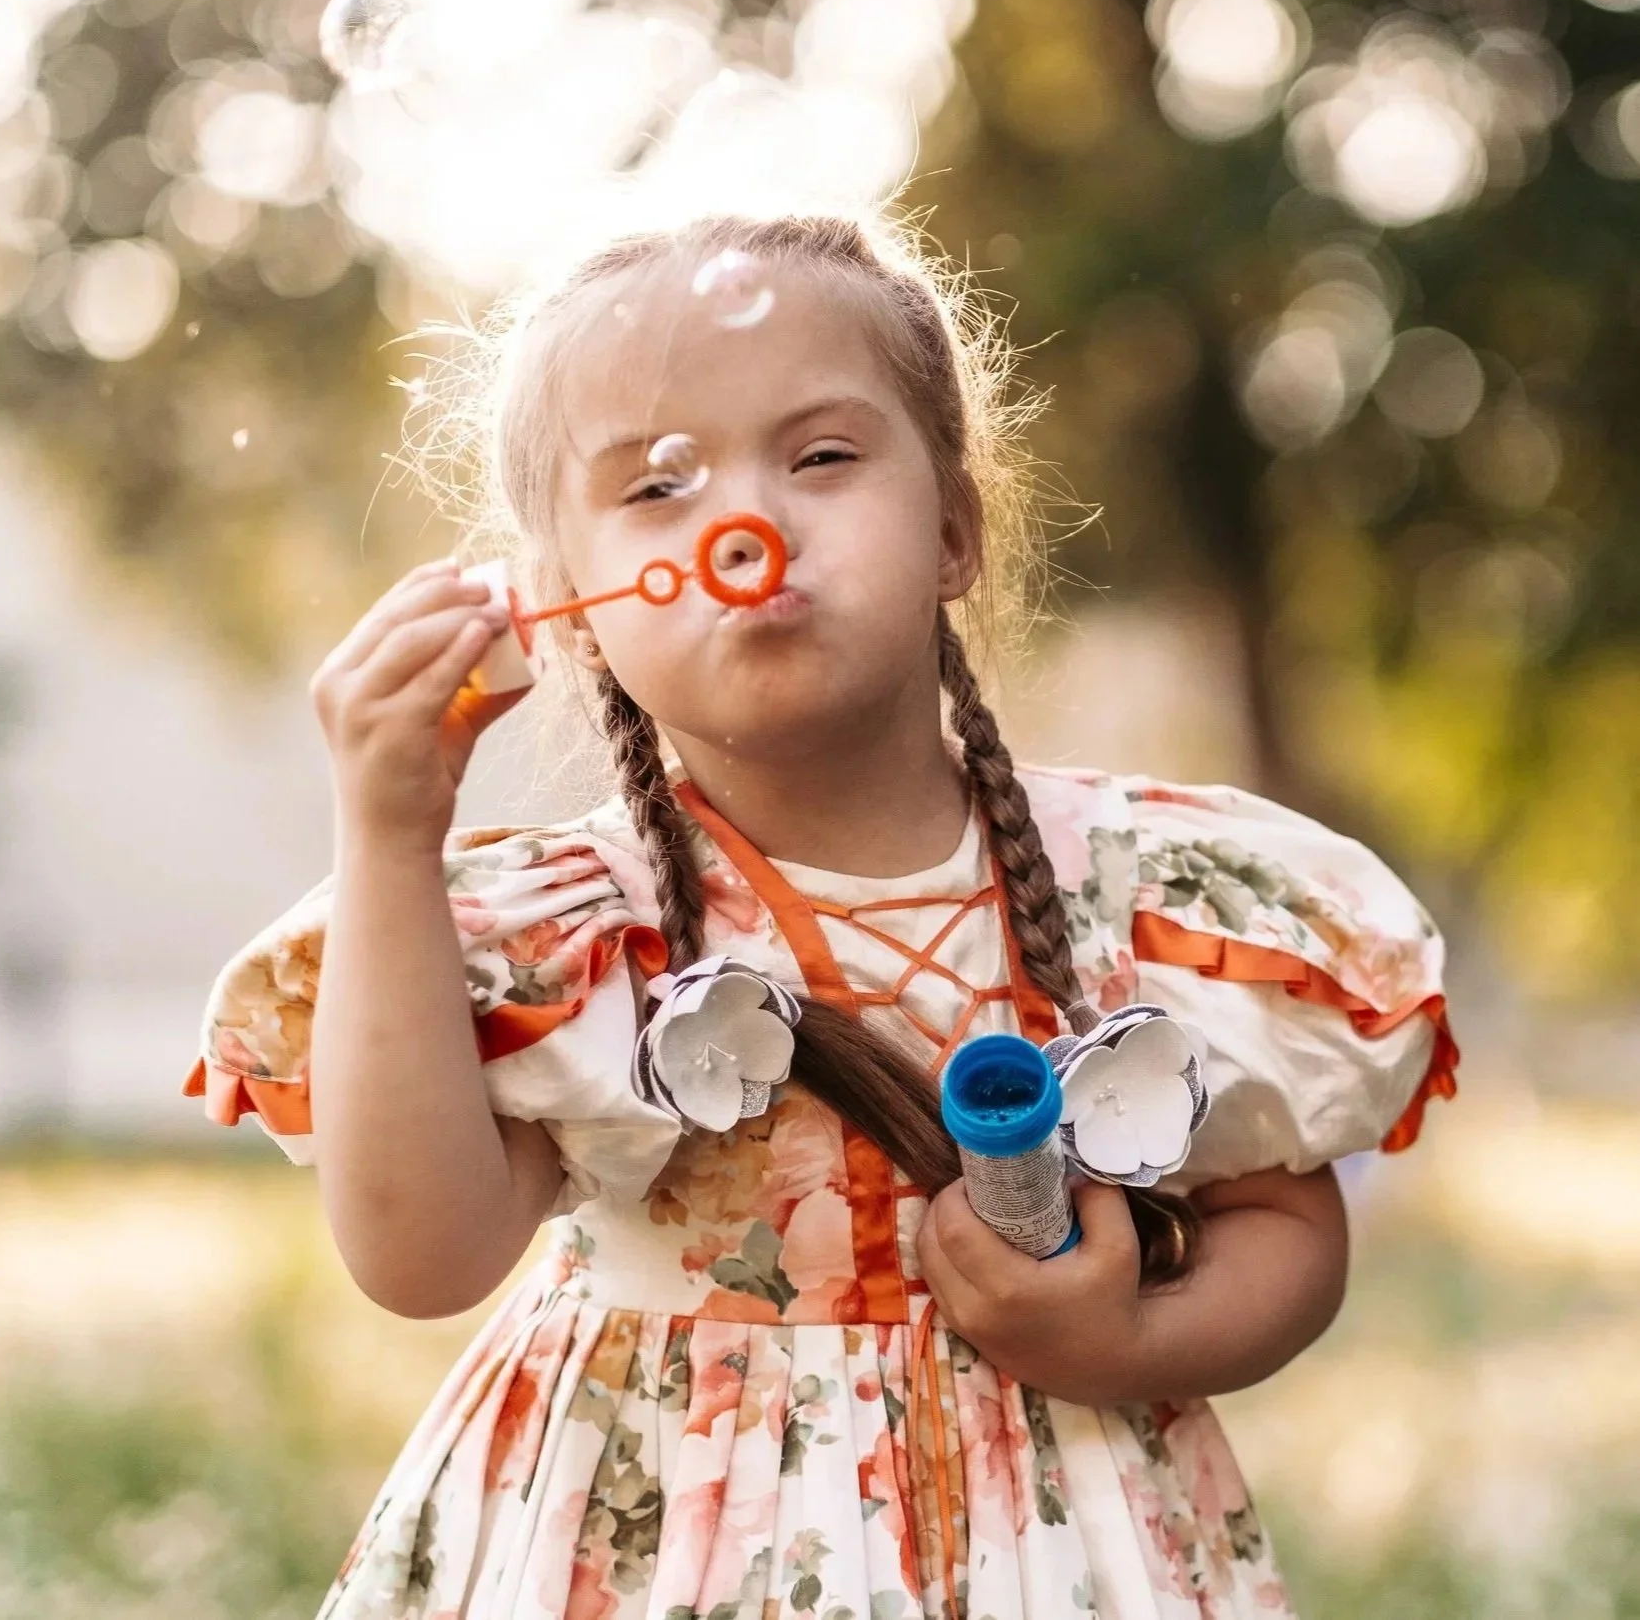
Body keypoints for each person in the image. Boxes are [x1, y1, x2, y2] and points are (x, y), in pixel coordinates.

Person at [188, 214, 1458, 1620]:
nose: (750, 521)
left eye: (823, 456)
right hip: (654, 1551)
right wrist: (386, 834)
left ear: (955, 533)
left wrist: (1129, 1335)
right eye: (656, 486)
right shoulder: (568, 929)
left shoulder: (1145, 889)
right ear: (562, 602)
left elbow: (1284, 1225)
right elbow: (419, 1258)